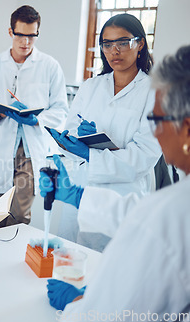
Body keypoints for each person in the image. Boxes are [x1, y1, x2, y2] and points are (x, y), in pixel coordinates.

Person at [42, 45, 190, 322]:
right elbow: (142, 218)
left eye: (156, 120)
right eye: (107, 44)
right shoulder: (175, 206)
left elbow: (113, 315)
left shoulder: (174, 211)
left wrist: (76, 303)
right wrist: (76, 196)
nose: (155, 131)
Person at [48, 13, 161, 251]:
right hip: (80, 189)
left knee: (108, 270)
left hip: (122, 197)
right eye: (107, 44)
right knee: (68, 262)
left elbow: (144, 156)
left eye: (123, 42)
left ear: (140, 44)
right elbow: (69, 134)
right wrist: (71, 141)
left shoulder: (154, 92)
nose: (114, 51)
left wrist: (93, 154)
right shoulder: (91, 86)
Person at [0, 5, 68, 226]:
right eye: (20, 35)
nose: (25, 42)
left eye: (31, 36)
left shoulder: (50, 66)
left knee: (20, 217)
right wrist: (1, 113)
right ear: (10, 32)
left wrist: (37, 119)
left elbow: (60, 109)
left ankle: (15, 258)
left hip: (31, 150)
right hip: (1, 146)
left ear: (37, 33)